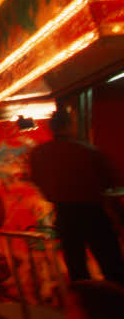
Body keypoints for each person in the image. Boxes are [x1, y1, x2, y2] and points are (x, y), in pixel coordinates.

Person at [28, 108, 124, 284]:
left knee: (77, 268)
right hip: (93, 212)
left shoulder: (38, 154)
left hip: (64, 214)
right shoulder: (88, 151)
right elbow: (111, 183)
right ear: (69, 125)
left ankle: (87, 306)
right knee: (111, 265)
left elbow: (37, 181)